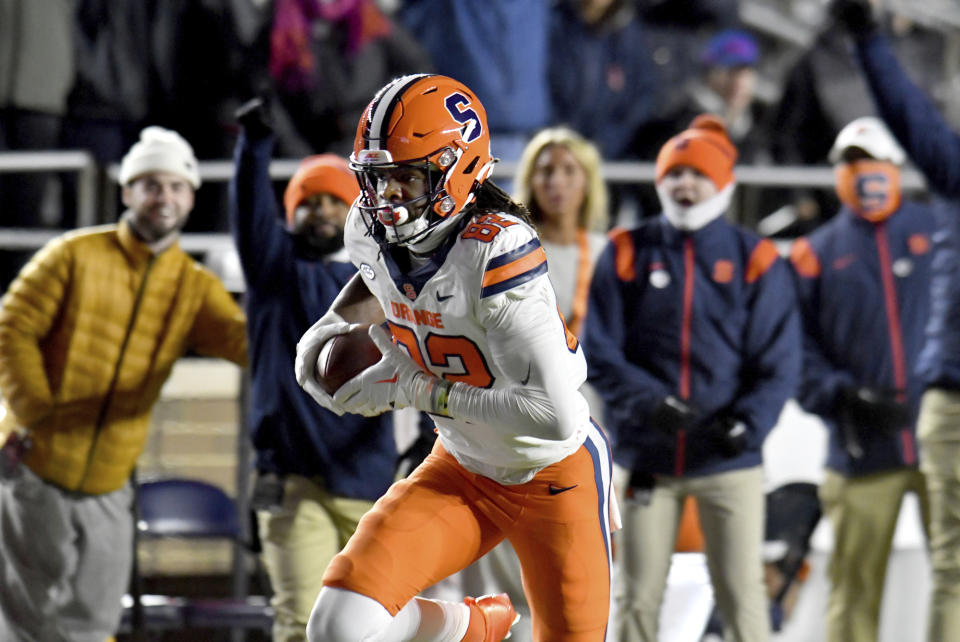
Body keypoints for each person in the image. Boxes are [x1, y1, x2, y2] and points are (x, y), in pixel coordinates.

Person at [293, 73, 617, 642]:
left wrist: (418, 391)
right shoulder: (369, 230)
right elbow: (372, 287)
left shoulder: (496, 249)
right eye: (376, 181)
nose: (387, 200)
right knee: (338, 626)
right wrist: (319, 343)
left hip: (556, 474)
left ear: (458, 168)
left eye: (406, 179)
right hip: (464, 465)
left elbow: (555, 415)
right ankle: (471, 629)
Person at [0, 126, 248, 641]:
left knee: (92, 624)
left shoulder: (194, 286)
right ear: (127, 191)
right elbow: (12, 327)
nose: (165, 197)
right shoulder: (72, 255)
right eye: (152, 184)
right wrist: (34, 412)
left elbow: (247, 343)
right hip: (35, 468)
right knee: (23, 624)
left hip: (110, 486)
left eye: (177, 187)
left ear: (192, 197)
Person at [582, 114, 800, 642]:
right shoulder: (627, 250)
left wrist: (749, 424)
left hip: (729, 459)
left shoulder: (757, 258)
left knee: (742, 594)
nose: (685, 185)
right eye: (675, 173)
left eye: (698, 174)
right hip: (647, 457)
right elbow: (599, 350)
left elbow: (779, 359)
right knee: (635, 596)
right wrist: (646, 403)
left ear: (723, 182)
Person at [423, 125, 612, 641]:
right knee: (493, 570)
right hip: (494, 412)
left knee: (569, 581)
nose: (556, 181)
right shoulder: (492, 246)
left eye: (569, 170)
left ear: (588, 182)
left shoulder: (608, 252)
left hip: (573, 426)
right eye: (545, 170)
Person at [230, 98, 396, 642]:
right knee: (301, 623)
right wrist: (254, 147)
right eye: (309, 201)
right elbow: (251, 219)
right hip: (294, 480)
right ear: (290, 213)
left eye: (334, 200)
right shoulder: (276, 273)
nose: (322, 210)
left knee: (373, 626)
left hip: (368, 476)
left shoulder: (384, 281)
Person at [830, 1, 960, 638]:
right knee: (956, 573)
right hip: (946, 407)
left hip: (945, 403)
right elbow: (911, 115)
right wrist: (868, 40)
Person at [788, 116, 934, 642]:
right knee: (853, 592)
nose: (863, 172)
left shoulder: (938, 232)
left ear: (895, 167)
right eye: (850, 162)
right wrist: (842, 396)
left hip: (943, 442)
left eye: (871, 160)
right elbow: (795, 350)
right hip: (859, 447)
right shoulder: (814, 254)